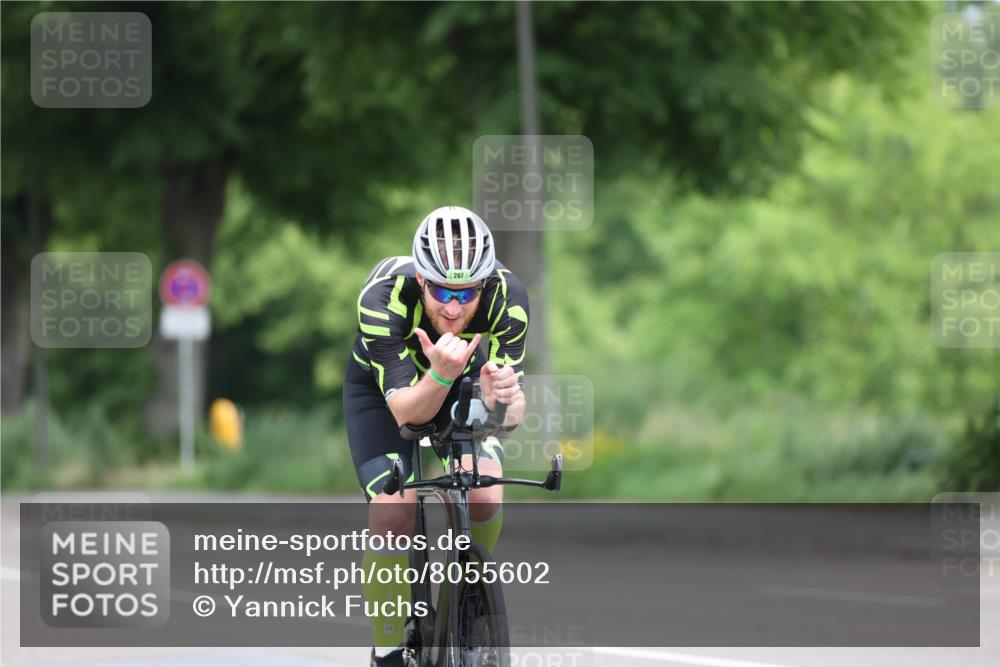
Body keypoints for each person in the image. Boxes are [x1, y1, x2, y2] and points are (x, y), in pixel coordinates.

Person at [343, 206, 529, 666]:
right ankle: (386, 650)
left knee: (486, 492)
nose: (452, 306)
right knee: (394, 508)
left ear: (484, 285)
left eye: (466, 293)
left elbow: (511, 415)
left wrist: (500, 399)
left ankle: (472, 594)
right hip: (385, 391)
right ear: (422, 280)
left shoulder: (508, 297)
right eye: (442, 290)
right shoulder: (383, 298)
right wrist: (442, 376)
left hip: (458, 378)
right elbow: (407, 415)